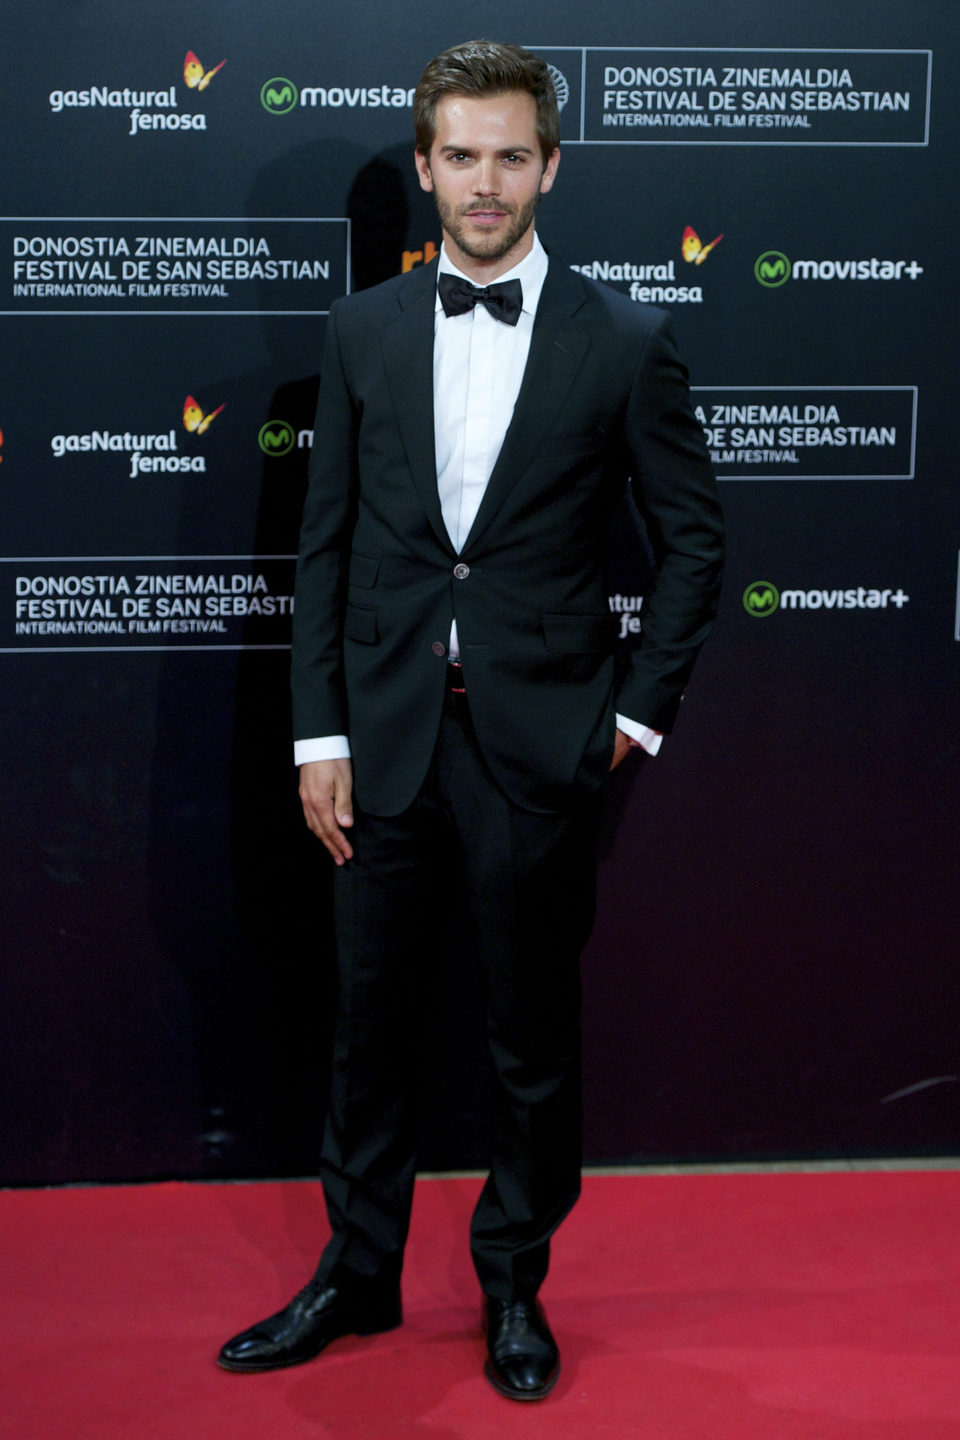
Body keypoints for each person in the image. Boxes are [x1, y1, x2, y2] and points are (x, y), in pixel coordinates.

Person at [219, 39, 724, 1401]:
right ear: (427, 169)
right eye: (462, 157)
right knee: (366, 1023)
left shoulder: (625, 341)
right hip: (379, 740)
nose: (486, 183)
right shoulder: (363, 332)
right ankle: (357, 1273)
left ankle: (514, 1286)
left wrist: (633, 720)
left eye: (512, 156)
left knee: (528, 1038)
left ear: (550, 166)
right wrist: (316, 735)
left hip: (539, 746)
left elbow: (693, 547)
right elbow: (323, 549)